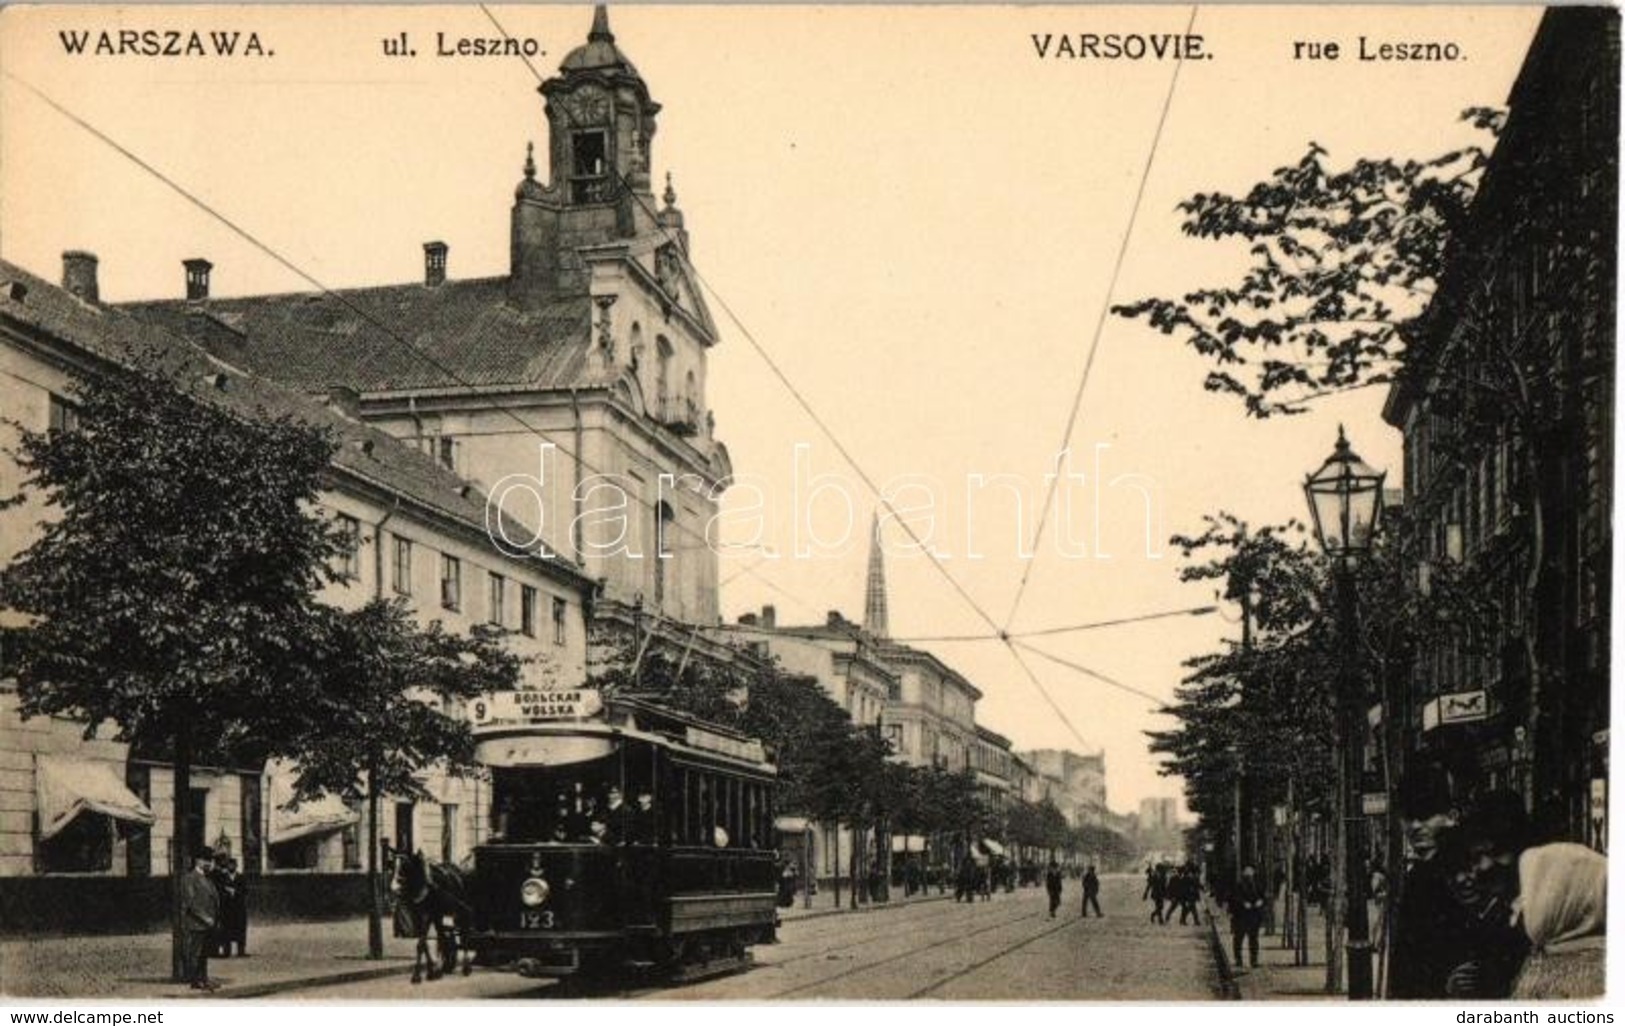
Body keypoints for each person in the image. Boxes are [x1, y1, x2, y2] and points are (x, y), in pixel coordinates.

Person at [179, 848, 222, 990]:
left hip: (208, 923)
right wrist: (205, 918)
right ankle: (195, 980)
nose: (209, 863)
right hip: (197, 923)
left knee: (204, 953)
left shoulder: (208, 878)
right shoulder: (189, 878)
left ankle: (204, 978)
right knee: (196, 953)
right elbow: (191, 903)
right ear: (198, 860)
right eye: (206, 860)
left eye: (210, 860)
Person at [1229, 865, 1265, 970]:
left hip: (1254, 915)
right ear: (1243, 873)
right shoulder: (1238, 885)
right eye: (1247, 871)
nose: (1249, 873)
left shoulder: (1258, 884)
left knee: (1253, 939)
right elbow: (1234, 898)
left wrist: (1261, 902)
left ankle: (1254, 960)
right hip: (1241, 916)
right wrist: (1243, 903)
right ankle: (1238, 959)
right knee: (1239, 938)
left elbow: (1263, 896)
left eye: (1251, 871)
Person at [214, 853, 249, 958]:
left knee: (240, 929)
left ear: (236, 866)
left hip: (239, 908)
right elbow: (219, 890)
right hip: (227, 908)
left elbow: (245, 891)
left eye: (233, 865)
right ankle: (226, 951)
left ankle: (241, 950)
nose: (231, 867)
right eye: (229, 865)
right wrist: (226, 892)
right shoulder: (223, 878)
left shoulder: (241, 877)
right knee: (226, 929)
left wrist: (235, 891)